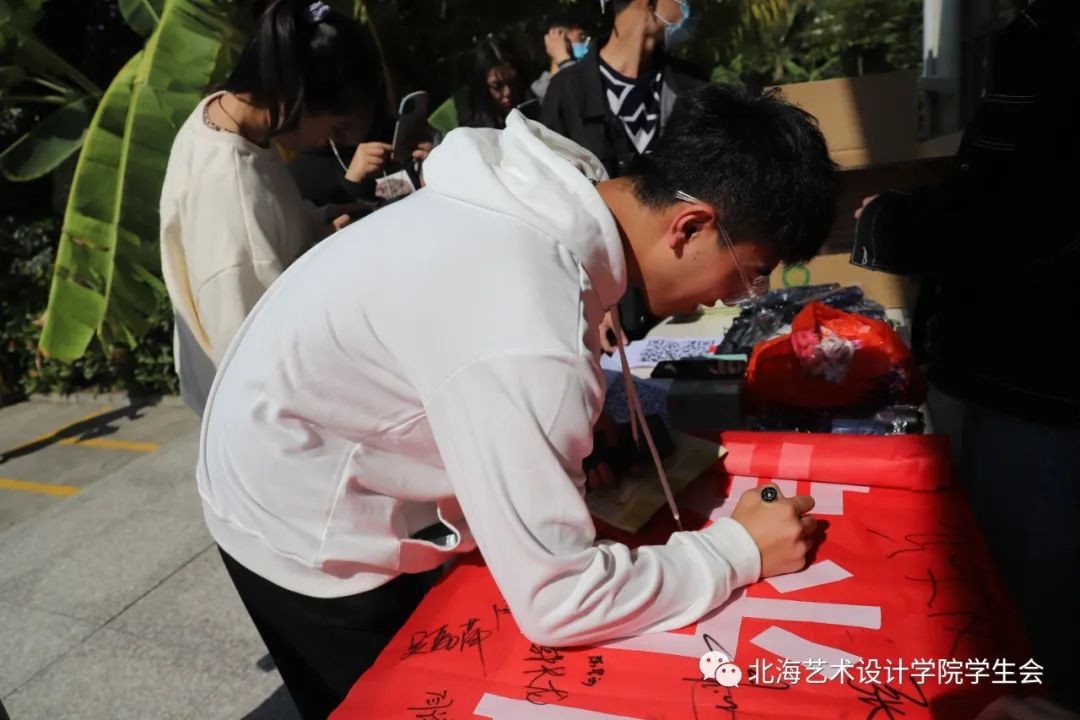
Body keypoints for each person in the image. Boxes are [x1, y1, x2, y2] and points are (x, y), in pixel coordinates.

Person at [198, 83, 837, 719]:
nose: (731, 299)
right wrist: (738, 551)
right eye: (749, 276)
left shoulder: (539, 200)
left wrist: (570, 431)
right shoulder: (528, 326)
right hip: (297, 517)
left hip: (290, 430)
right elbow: (561, 600)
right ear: (690, 227)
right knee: (378, 700)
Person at [850, 0, 1079, 709]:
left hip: (1045, 385)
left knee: (1028, 622)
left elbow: (1029, 215)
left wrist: (890, 224)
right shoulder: (1036, 33)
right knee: (989, 594)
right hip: (1000, 365)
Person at [159, 0, 386, 416]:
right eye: (334, 129)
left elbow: (276, 226)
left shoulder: (227, 116)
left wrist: (324, 220)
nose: (329, 143)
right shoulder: (230, 189)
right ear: (295, 95)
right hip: (262, 414)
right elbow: (257, 362)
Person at [542, 0, 703, 341]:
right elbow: (551, 210)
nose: (693, 9)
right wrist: (592, 301)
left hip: (688, 307)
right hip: (608, 321)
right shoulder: (568, 93)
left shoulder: (692, 86)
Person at [462, 35, 541, 129]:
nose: (508, 92)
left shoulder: (539, 111)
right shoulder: (474, 132)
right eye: (496, 86)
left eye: (512, 82)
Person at [531, 14, 590, 102]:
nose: (587, 44)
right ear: (561, 40)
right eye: (581, 37)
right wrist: (563, 57)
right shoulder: (545, 89)